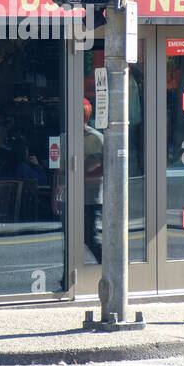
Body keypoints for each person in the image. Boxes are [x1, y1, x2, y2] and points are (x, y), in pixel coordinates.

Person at [83, 98, 104, 263]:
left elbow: (102, 168)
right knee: (69, 239)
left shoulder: (96, 138)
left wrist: (81, 175)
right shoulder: (67, 136)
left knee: (90, 237)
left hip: (91, 197)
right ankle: (65, 280)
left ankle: (107, 266)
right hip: (73, 196)